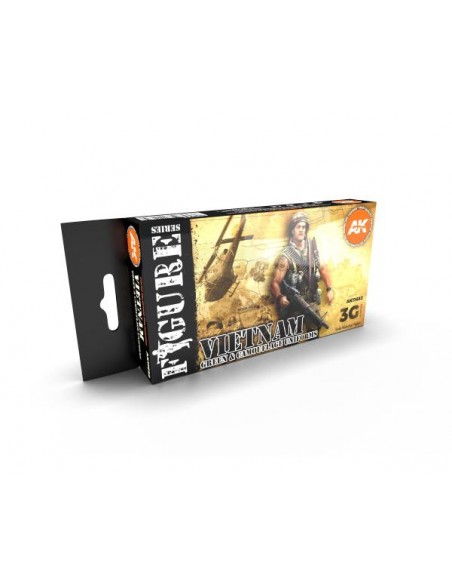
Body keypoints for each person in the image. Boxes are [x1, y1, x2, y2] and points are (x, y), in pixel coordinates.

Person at [271, 212, 333, 323]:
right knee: (294, 331)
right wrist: (280, 297)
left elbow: (323, 269)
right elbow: (275, 282)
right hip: (294, 305)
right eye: (298, 227)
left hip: (312, 302)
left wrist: (329, 289)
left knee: (315, 328)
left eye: (303, 227)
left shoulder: (313, 249)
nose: (301, 230)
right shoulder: (287, 255)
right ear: (292, 230)